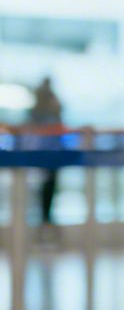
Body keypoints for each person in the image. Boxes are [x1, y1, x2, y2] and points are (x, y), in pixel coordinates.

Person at [28, 77, 62, 240]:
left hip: (50, 155)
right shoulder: (42, 108)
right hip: (44, 155)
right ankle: (43, 223)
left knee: (48, 190)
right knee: (43, 190)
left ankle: (46, 223)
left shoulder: (50, 106)